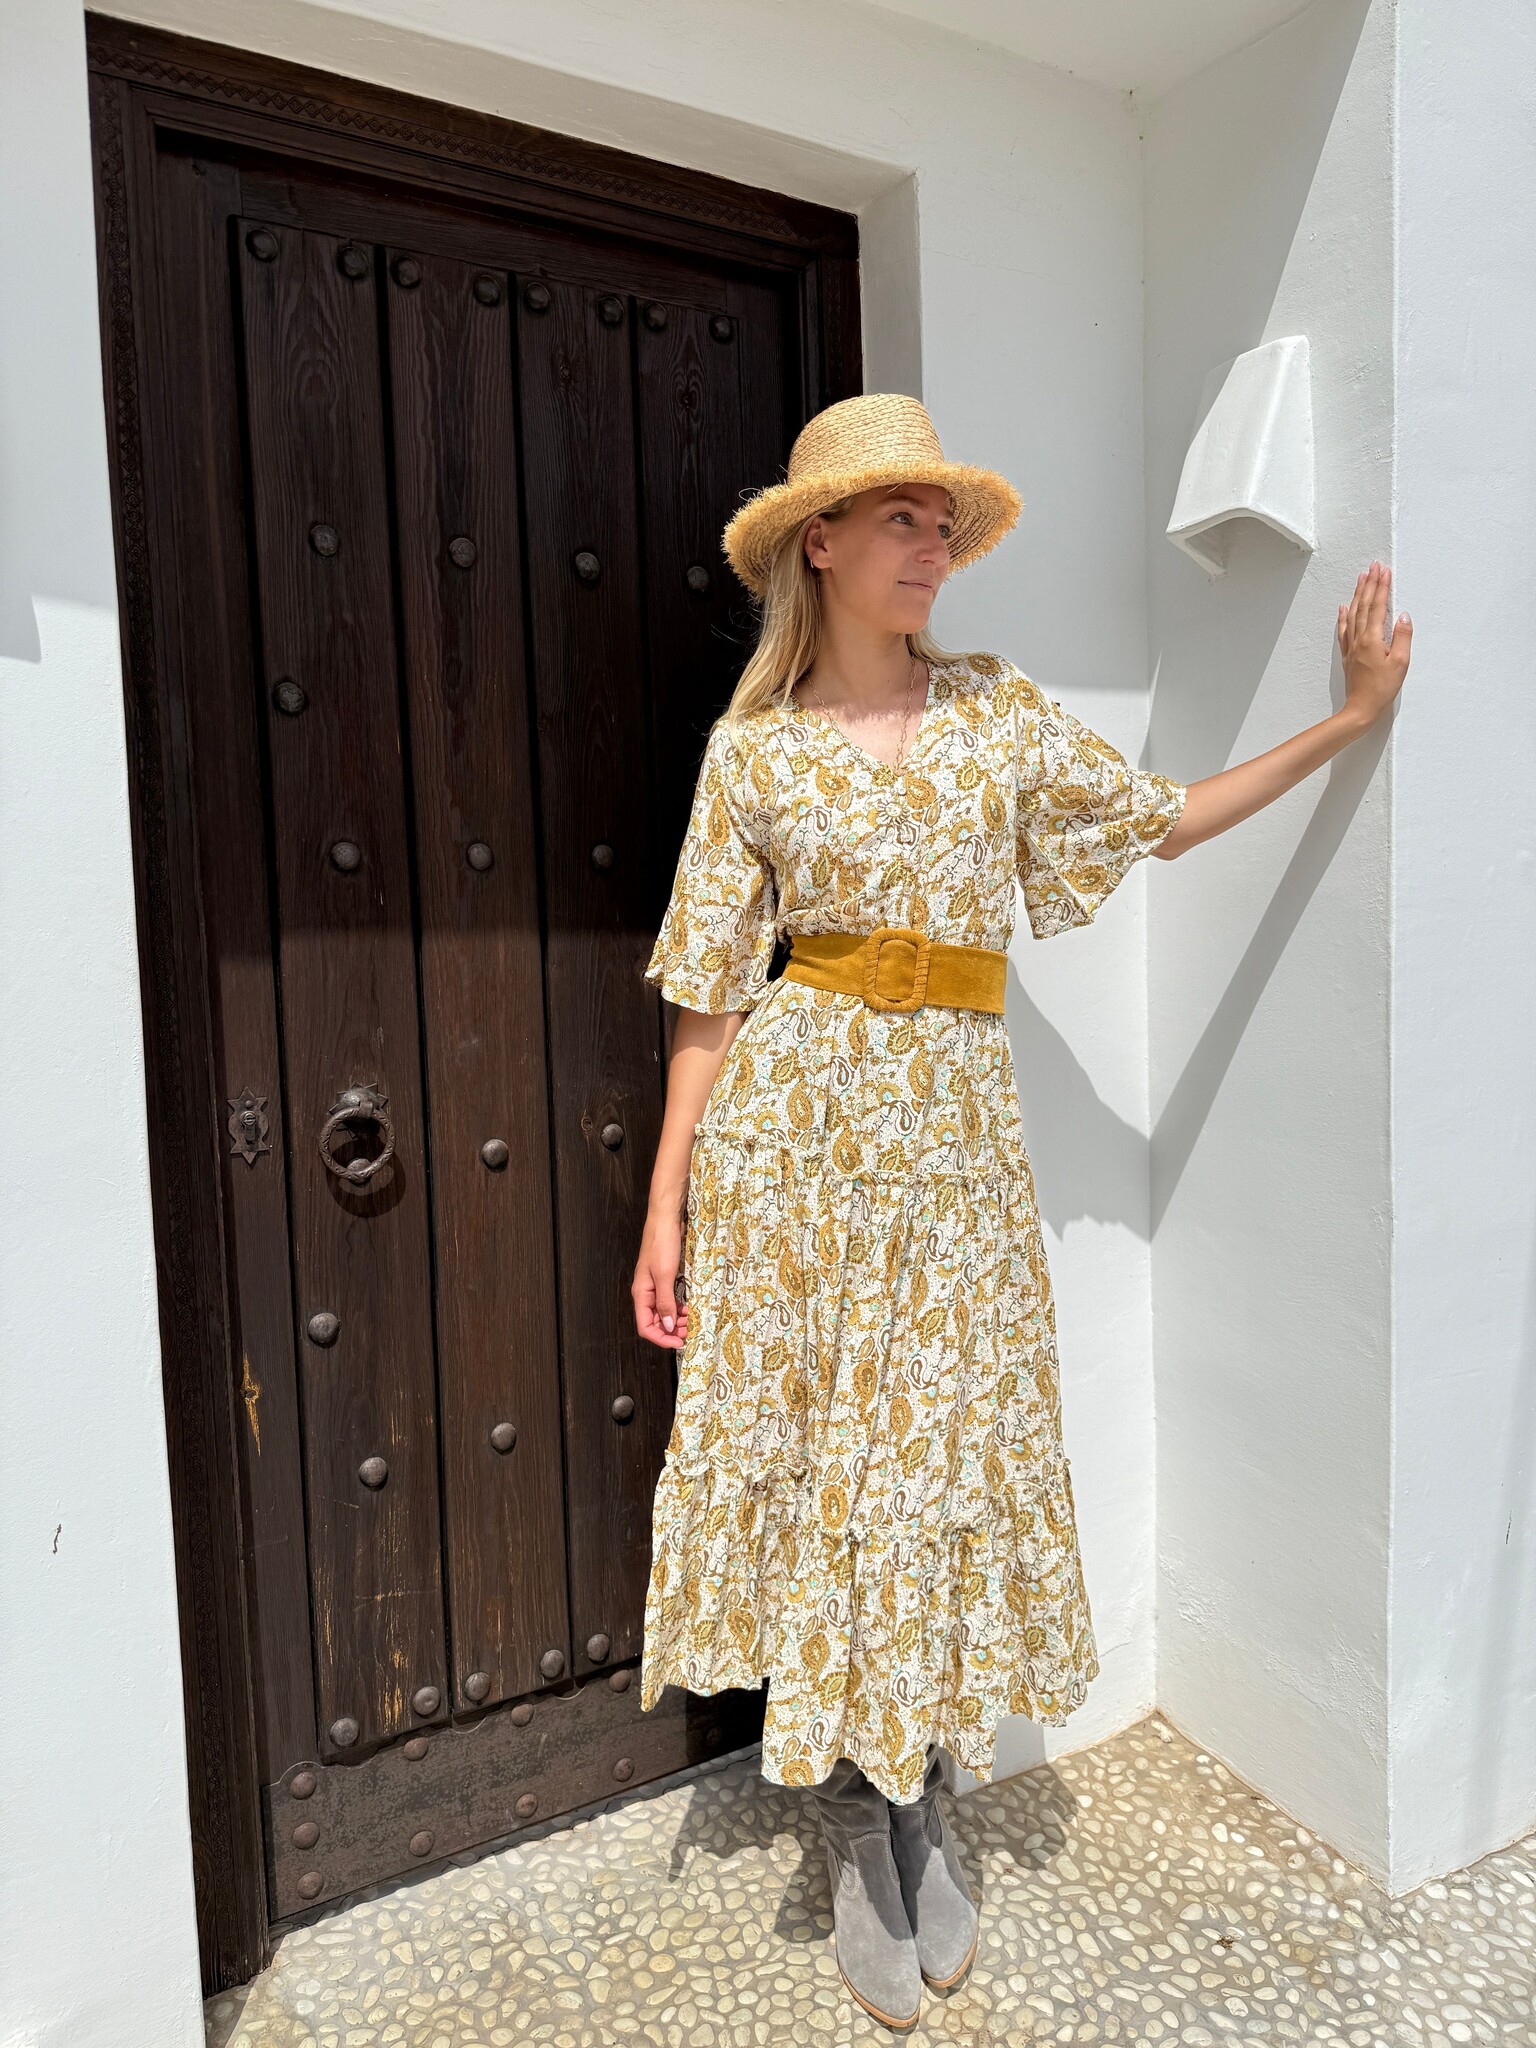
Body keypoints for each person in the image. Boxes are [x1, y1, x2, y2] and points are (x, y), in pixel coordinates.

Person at [629, 392, 1412, 2031]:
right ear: (820, 544)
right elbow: (708, 990)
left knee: (938, 1455)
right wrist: (667, 1210)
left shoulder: (995, 714)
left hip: (957, 1151)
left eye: (942, 524)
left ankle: (923, 1793)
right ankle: (865, 1830)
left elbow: (1162, 819)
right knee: (833, 1463)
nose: (930, 548)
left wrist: (1346, 721)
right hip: (796, 1144)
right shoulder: (753, 753)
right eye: (899, 521)